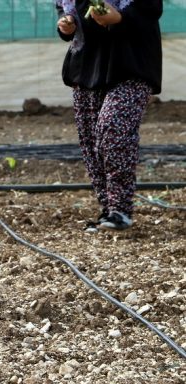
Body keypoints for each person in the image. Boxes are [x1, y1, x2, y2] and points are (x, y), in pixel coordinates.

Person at [55, 0, 162, 231]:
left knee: (113, 127)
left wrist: (120, 18)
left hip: (132, 63)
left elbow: (151, 8)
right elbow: (69, 13)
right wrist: (68, 25)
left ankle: (120, 208)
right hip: (87, 67)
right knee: (92, 142)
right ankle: (110, 209)